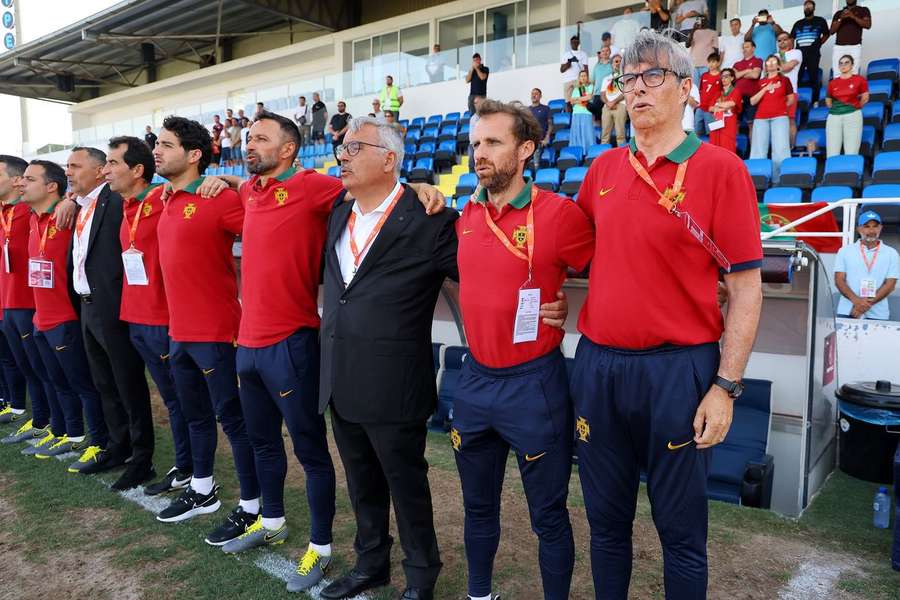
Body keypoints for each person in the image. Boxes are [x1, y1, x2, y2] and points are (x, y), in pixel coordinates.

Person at [573, 29, 763, 599]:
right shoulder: (602, 169)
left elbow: (746, 290)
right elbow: (569, 252)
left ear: (687, 89)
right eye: (628, 79)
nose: (637, 89)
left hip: (679, 372)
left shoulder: (721, 169)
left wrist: (725, 386)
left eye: (653, 76)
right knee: (605, 526)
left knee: (681, 535)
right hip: (599, 368)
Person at [453, 99, 592, 600]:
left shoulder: (559, 214)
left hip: (535, 385)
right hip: (474, 382)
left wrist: (574, 309)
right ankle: (478, 594)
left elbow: (615, 270)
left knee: (548, 516)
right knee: (477, 507)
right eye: (474, 145)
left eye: (492, 142)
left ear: (526, 148)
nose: (479, 154)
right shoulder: (464, 214)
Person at [317, 117, 459, 600]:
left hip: (395, 383)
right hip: (340, 377)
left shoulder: (430, 217)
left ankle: (421, 576)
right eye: (342, 146)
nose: (343, 155)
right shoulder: (339, 210)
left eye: (355, 147)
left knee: (407, 486)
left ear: (389, 159)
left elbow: (477, 275)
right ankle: (370, 563)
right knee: (361, 484)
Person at [152, 116, 261, 549]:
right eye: (156, 143)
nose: (156, 150)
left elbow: (264, 227)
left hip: (217, 332)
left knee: (233, 420)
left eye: (166, 144)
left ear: (194, 154)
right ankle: (203, 490)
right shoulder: (166, 199)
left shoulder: (215, 198)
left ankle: (253, 506)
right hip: (178, 332)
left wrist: (233, 184)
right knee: (194, 415)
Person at [99, 136, 195, 497]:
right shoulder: (125, 206)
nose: (105, 170)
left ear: (138, 170)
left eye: (112, 163)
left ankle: (190, 469)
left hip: (163, 320)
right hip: (135, 318)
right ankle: (184, 466)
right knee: (171, 400)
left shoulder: (163, 197)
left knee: (180, 400)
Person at [59, 146, 156, 489]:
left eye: (75, 166)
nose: (68, 171)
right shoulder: (82, 205)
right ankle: (119, 446)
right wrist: (70, 198)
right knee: (105, 383)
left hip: (112, 307)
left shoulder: (114, 202)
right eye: (66, 166)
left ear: (100, 171)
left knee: (127, 383)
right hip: (87, 305)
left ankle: (142, 458)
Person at [18, 160, 110, 467]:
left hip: (66, 317)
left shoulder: (68, 215)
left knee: (83, 385)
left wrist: (69, 201)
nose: (22, 184)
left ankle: (98, 441)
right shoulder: (34, 217)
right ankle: (69, 433)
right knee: (56, 381)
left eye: (29, 179)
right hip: (40, 316)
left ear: (51, 186)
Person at [0, 155, 54, 432]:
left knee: (41, 368)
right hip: (7, 301)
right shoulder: (6, 211)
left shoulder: (30, 211)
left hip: (29, 302)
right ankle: (40, 417)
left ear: (16, 179)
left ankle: (52, 421)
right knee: (24, 364)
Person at [835, 211, 898, 320]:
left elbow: (890, 285)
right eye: (867, 226)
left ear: (880, 228)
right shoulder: (844, 251)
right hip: (848, 311)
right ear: (859, 229)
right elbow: (839, 280)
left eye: (875, 226)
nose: (872, 231)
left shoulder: (892, 253)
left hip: (878, 314)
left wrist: (861, 307)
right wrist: (856, 301)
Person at [750, 55, 795, 178]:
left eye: (774, 61)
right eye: (768, 62)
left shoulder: (785, 80)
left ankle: (780, 179)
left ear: (779, 65)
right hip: (761, 117)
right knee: (758, 150)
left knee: (781, 149)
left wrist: (780, 107)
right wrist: (765, 89)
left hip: (779, 116)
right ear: (765, 66)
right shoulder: (760, 82)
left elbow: (791, 99)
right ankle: (758, 178)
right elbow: (752, 101)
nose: (770, 64)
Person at [826, 54, 869, 157]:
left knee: (852, 149)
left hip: (853, 114)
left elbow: (865, 98)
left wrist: (855, 108)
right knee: (832, 150)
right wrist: (837, 109)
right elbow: (828, 101)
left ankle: (851, 171)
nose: (843, 65)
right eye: (840, 63)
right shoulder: (832, 83)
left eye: (846, 62)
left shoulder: (859, 80)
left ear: (852, 65)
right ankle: (832, 171)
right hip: (834, 116)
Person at [790, 0, 830, 103]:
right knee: (796, 77)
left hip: (813, 54)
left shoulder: (820, 21)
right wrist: (791, 50)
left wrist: (818, 44)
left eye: (810, 6)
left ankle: (815, 101)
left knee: (813, 77)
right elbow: (791, 38)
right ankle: (795, 100)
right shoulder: (797, 23)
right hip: (799, 55)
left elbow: (826, 34)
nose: (807, 8)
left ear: (814, 8)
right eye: (805, 6)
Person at [830, 0, 871, 77]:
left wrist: (853, 16)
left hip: (855, 47)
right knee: (837, 75)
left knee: (853, 74)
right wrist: (841, 19)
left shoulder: (863, 10)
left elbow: (868, 25)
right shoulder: (839, 13)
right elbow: (831, 31)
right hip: (839, 48)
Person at [708, 68, 743, 154]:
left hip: (728, 124)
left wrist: (718, 105)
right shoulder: (718, 93)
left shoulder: (736, 91)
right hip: (716, 124)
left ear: (732, 78)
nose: (723, 79)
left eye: (726, 77)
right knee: (714, 149)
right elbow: (710, 108)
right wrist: (720, 107)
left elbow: (731, 103)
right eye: (722, 77)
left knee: (728, 149)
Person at [777, 33, 803, 146]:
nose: (782, 42)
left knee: (790, 120)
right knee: (777, 122)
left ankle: (791, 147)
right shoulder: (773, 55)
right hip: (775, 93)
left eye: (784, 39)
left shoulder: (796, 53)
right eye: (779, 40)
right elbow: (766, 72)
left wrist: (777, 66)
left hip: (790, 92)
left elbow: (787, 68)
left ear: (790, 41)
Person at [734, 40, 762, 137]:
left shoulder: (758, 60)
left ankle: (752, 149)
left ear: (753, 48)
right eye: (744, 47)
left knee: (751, 124)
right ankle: (736, 150)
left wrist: (740, 73)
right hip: (737, 98)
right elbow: (734, 76)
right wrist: (747, 70)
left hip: (751, 98)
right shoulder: (737, 64)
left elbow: (755, 75)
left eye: (747, 47)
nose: (744, 49)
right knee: (735, 123)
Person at [600, 54, 626, 146]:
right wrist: (608, 103)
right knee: (605, 135)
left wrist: (614, 102)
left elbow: (625, 91)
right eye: (616, 61)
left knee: (620, 134)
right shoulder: (606, 78)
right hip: (607, 107)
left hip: (620, 106)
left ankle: (622, 156)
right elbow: (602, 94)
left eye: (620, 61)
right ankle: (603, 156)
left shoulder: (625, 76)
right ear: (611, 64)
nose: (618, 63)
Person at [695, 52, 723, 136]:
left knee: (711, 132)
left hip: (711, 108)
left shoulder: (721, 76)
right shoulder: (704, 75)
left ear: (718, 63)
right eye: (710, 62)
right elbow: (701, 90)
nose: (711, 64)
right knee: (696, 130)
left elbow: (722, 92)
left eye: (714, 62)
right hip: (701, 106)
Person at [687, 16, 718, 85]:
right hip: (694, 65)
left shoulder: (713, 32)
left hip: (706, 65)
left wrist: (715, 64)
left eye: (704, 20)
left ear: (707, 22)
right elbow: (687, 44)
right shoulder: (693, 32)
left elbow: (716, 50)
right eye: (700, 20)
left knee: (705, 86)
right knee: (694, 88)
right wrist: (693, 30)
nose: (702, 21)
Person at [560, 36, 589, 112]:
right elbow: (561, 70)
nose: (574, 43)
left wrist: (587, 81)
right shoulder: (566, 55)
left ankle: (580, 115)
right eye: (573, 42)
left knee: (582, 100)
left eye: (576, 41)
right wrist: (568, 63)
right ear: (570, 43)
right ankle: (570, 119)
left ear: (579, 43)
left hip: (579, 80)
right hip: (567, 81)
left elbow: (586, 69)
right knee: (568, 102)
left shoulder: (583, 54)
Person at [570, 70, 595, 150]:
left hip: (586, 112)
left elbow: (589, 97)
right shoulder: (576, 89)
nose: (583, 77)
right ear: (579, 78)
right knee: (577, 134)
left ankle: (588, 151)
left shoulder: (590, 86)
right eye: (581, 76)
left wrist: (577, 99)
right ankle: (578, 152)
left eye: (585, 75)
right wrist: (581, 99)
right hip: (576, 113)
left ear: (587, 77)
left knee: (587, 133)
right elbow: (571, 101)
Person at [529, 88, 552, 170]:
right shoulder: (527, 110)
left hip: (540, 141)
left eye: (536, 94)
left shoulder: (545, 109)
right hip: (529, 141)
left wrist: (547, 138)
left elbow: (550, 125)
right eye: (532, 93)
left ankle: (536, 178)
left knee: (536, 153)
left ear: (540, 96)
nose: (534, 95)